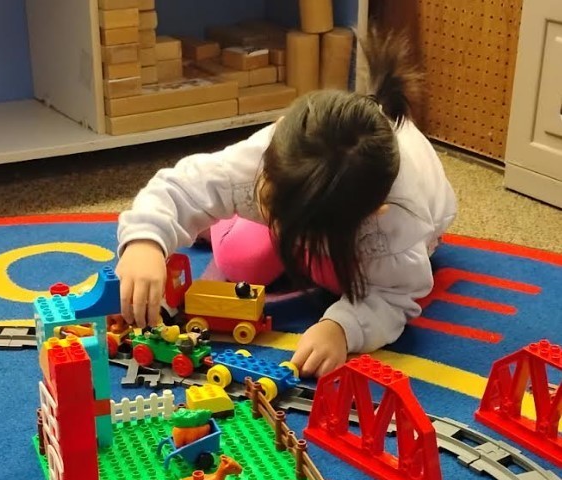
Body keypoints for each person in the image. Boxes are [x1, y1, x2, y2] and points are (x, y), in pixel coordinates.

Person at [115, 28, 457, 377]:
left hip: (381, 238)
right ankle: (224, 220)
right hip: (329, 218)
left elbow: (393, 296)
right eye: (268, 201)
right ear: (277, 131)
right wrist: (146, 240)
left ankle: (255, 225)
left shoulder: (396, 223)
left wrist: (341, 328)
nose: (275, 224)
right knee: (241, 260)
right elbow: (181, 186)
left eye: (290, 226)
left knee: (345, 280)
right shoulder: (267, 154)